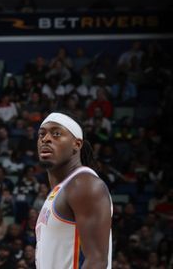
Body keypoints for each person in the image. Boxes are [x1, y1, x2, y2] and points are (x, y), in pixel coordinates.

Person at [35, 112, 112, 269]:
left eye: (56, 134)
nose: (46, 139)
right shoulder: (61, 189)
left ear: (77, 144)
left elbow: (97, 261)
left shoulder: (84, 184)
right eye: (41, 134)